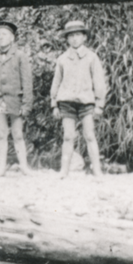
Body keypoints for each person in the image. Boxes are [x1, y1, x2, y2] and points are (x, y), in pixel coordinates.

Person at [50, 19, 108, 179]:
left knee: (89, 135)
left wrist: (99, 104)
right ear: (67, 39)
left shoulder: (91, 57)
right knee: (68, 136)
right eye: (71, 36)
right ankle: (64, 170)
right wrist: (54, 104)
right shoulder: (62, 59)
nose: (74, 39)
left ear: (84, 37)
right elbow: (56, 82)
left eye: (77, 35)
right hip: (67, 102)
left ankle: (97, 170)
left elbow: (99, 82)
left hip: (86, 102)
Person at [0, 19, 33, 176]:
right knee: (1, 134)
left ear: (12, 38)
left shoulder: (20, 56)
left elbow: (27, 83)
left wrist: (26, 105)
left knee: (18, 134)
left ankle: (24, 166)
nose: (0, 37)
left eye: (4, 34)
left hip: (15, 101)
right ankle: (1, 168)